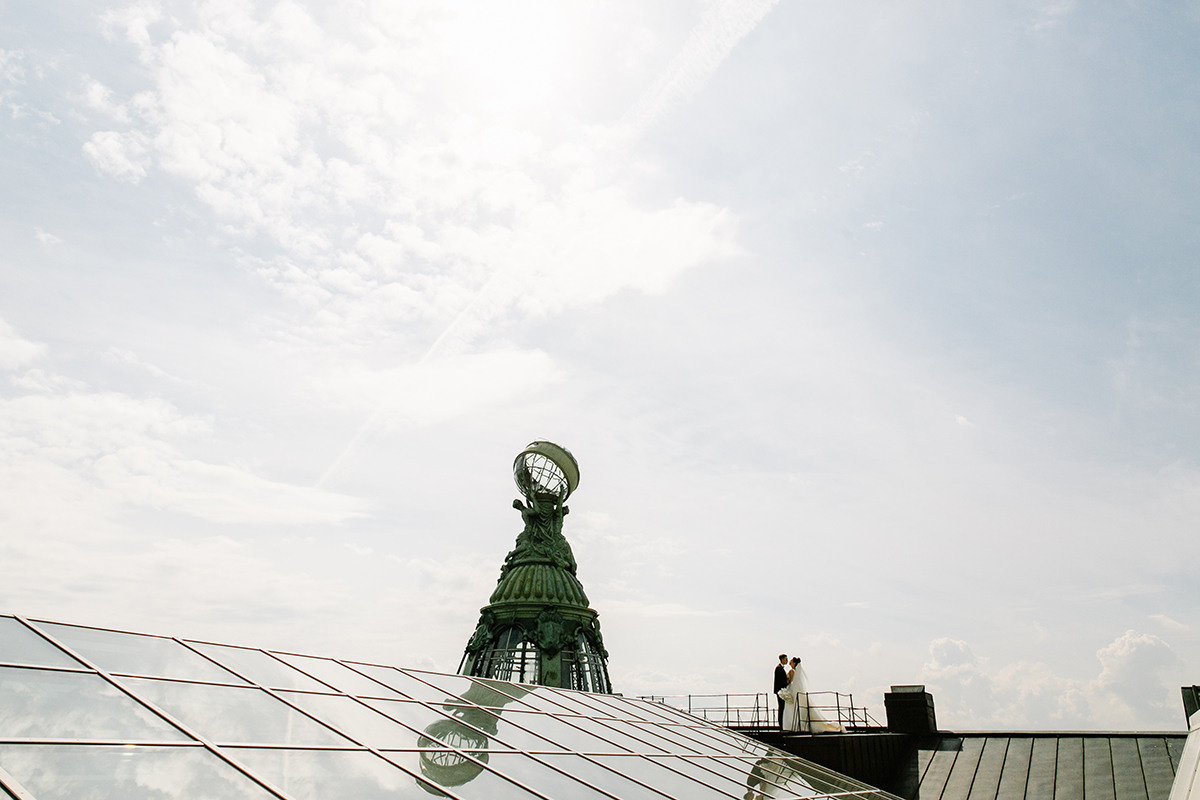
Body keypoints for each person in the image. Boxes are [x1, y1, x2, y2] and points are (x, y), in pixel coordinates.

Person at [772, 654, 789, 731]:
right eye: (786, 659)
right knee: (781, 707)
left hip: (781, 691)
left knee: (782, 707)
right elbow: (780, 681)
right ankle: (781, 724)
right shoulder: (779, 668)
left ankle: (782, 723)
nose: (787, 661)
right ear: (782, 660)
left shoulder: (780, 668)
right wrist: (787, 683)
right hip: (780, 691)